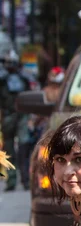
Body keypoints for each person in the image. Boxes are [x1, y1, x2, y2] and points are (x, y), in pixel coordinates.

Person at [0, 50, 31, 191]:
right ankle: (12, 180)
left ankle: (26, 179)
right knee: (9, 148)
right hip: (7, 116)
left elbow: (31, 93)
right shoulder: (2, 79)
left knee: (24, 147)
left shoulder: (23, 77)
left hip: (22, 115)